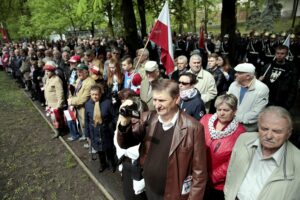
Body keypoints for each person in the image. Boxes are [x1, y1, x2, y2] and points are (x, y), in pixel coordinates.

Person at [117, 79, 207, 200]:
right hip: (149, 188)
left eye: (162, 100)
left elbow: (199, 172)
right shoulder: (148, 117)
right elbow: (125, 143)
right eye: (154, 100)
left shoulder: (193, 128)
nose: (157, 105)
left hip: (173, 194)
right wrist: (124, 122)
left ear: (176, 99)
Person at [224, 106, 300, 200]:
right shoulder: (243, 139)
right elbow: (231, 170)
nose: (268, 136)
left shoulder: (297, 162)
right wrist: (228, 194)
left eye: (277, 131)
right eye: (264, 129)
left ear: (289, 133)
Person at [200, 94, 246, 200]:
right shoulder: (206, 119)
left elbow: (234, 162)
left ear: (234, 111)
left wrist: (211, 177)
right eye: (219, 109)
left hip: (218, 185)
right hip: (197, 175)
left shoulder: (241, 132)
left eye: (226, 110)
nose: (221, 113)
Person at [114, 89, 148, 200]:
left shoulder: (144, 127)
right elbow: (118, 143)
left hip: (139, 169)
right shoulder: (123, 123)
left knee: (139, 196)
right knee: (128, 194)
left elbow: (135, 151)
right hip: (126, 166)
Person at [228, 63, 269, 131]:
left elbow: (257, 113)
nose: (235, 74)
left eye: (239, 73)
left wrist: (235, 118)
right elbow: (227, 102)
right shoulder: (233, 85)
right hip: (230, 123)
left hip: (247, 128)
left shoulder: (262, 89)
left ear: (248, 76)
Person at [85, 85, 117, 172]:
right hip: (94, 131)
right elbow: (87, 121)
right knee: (100, 151)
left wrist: (112, 126)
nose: (95, 96)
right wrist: (87, 134)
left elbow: (114, 116)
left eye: (96, 94)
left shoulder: (107, 103)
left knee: (109, 149)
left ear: (100, 94)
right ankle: (102, 164)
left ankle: (111, 164)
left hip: (106, 131)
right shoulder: (87, 105)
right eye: (92, 94)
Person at [259, 45, 298, 110]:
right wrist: (259, 81)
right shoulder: (268, 66)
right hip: (267, 99)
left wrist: (288, 104)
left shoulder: (291, 69)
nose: (279, 55)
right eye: (278, 53)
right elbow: (260, 84)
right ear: (275, 54)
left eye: (282, 53)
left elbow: (293, 88)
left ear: (286, 54)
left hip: (282, 100)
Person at [67, 64, 96, 141]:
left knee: (87, 125)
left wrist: (71, 101)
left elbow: (83, 99)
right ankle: (86, 138)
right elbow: (76, 89)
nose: (78, 73)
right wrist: (71, 87)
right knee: (82, 123)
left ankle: (91, 144)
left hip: (86, 107)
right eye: (77, 71)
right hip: (79, 107)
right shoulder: (80, 79)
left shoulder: (90, 82)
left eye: (80, 72)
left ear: (86, 72)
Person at [44, 61, 65, 138]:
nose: (46, 73)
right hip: (50, 103)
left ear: (53, 71)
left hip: (55, 104)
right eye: (46, 71)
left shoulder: (57, 80)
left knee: (57, 119)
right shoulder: (48, 78)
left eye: (48, 71)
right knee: (53, 118)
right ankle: (58, 130)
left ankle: (59, 132)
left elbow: (60, 93)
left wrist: (59, 105)